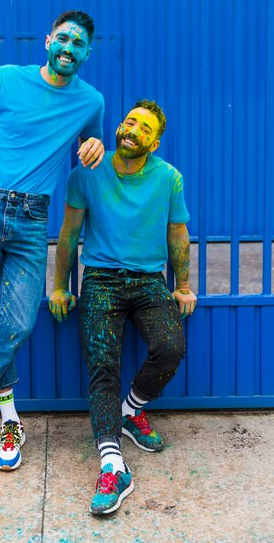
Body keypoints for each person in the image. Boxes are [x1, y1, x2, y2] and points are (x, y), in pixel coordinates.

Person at [0, 11, 105, 471]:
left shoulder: (91, 102)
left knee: (17, 323)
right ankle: (11, 421)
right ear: (48, 40)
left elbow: (90, 150)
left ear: (88, 52)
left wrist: (96, 148)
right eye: (63, 38)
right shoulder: (7, 78)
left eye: (79, 43)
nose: (69, 47)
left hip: (31, 220)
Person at [49, 99, 197, 515]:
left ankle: (130, 411)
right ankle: (113, 465)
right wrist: (60, 287)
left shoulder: (168, 178)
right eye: (129, 122)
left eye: (144, 127)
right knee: (102, 364)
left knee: (170, 347)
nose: (132, 130)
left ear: (156, 140)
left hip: (149, 281)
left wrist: (182, 285)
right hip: (100, 280)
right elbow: (69, 233)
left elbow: (177, 233)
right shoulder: (86, 174)